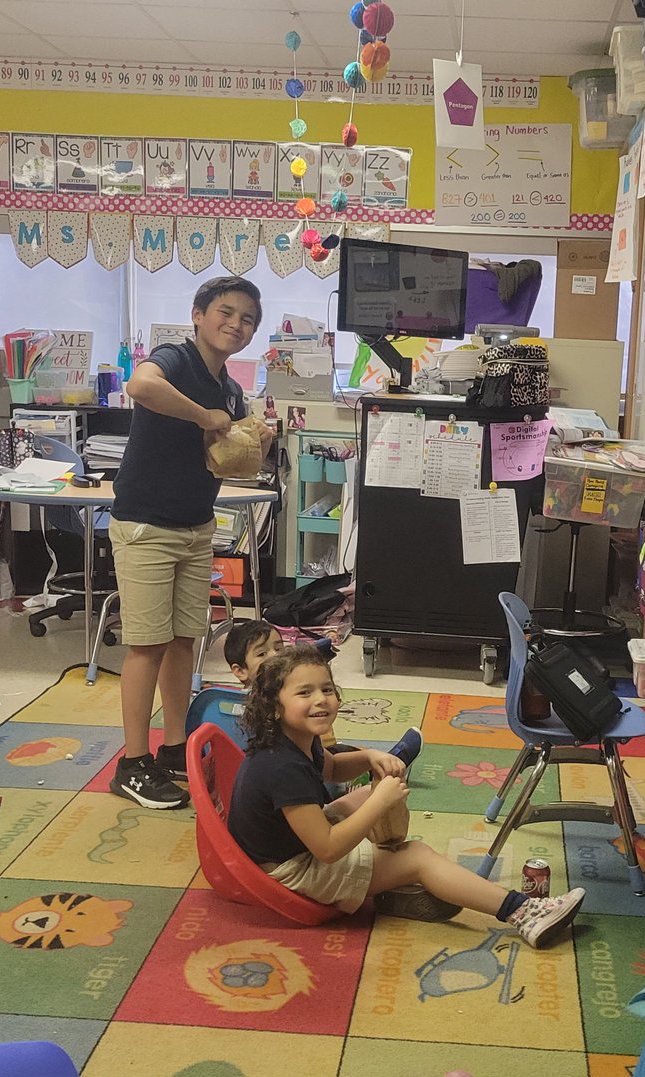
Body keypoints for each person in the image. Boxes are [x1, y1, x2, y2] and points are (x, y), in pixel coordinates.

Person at [228, 646, 585, 945]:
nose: (322, 700)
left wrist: (370, 756)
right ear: (274, 707)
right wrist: (381, 802)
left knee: (374, 790)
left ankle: (388, 873)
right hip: (293, 871)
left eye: (327, 689)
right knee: (417, 855)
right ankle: (523, 913)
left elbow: (333, 769)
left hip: (293, 846)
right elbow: (327, 849)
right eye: (304, 693)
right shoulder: (282, 768)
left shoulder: (294, 741)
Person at [108, 277, 272, 810]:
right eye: (226, 312)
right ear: (198, 313)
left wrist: (255, 438)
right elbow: (140, 387)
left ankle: (174, 747)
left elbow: (228, 451)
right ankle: (132, 764)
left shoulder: (229, 386)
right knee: (147, 643)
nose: (236, 325)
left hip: (195, 524)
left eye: (247, 319)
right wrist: (206, 418)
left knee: (183, 641)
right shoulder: (175, 359)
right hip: (147, 523)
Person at [222, 619, 422, 767]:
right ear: (239, 670)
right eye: (262, 653)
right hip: (308, 768)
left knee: (349, 752)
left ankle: (385, 761)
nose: (275, 656)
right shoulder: (280, 758)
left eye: (278, 648)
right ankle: (390, 763)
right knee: (342, 754)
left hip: (317, 756)